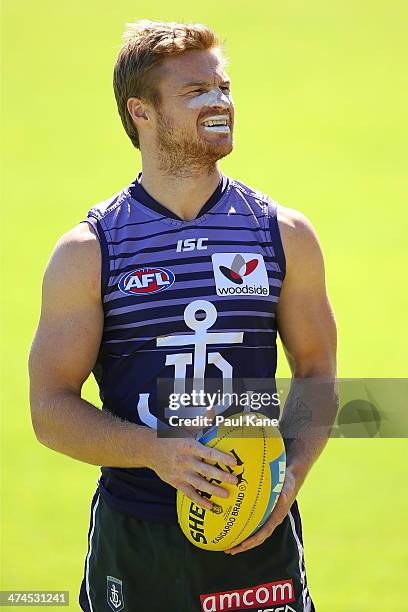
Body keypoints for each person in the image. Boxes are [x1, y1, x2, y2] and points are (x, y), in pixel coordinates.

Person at [29, 20, 337, 612]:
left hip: (256, 535)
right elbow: (50, 410)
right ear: (141, 112)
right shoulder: (90, 251)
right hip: (136, 539)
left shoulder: (282, 234)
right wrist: (158, 452)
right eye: (197, 92)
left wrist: (290, 474)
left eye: (223, 88)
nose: (221, 102)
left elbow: (318, 372)